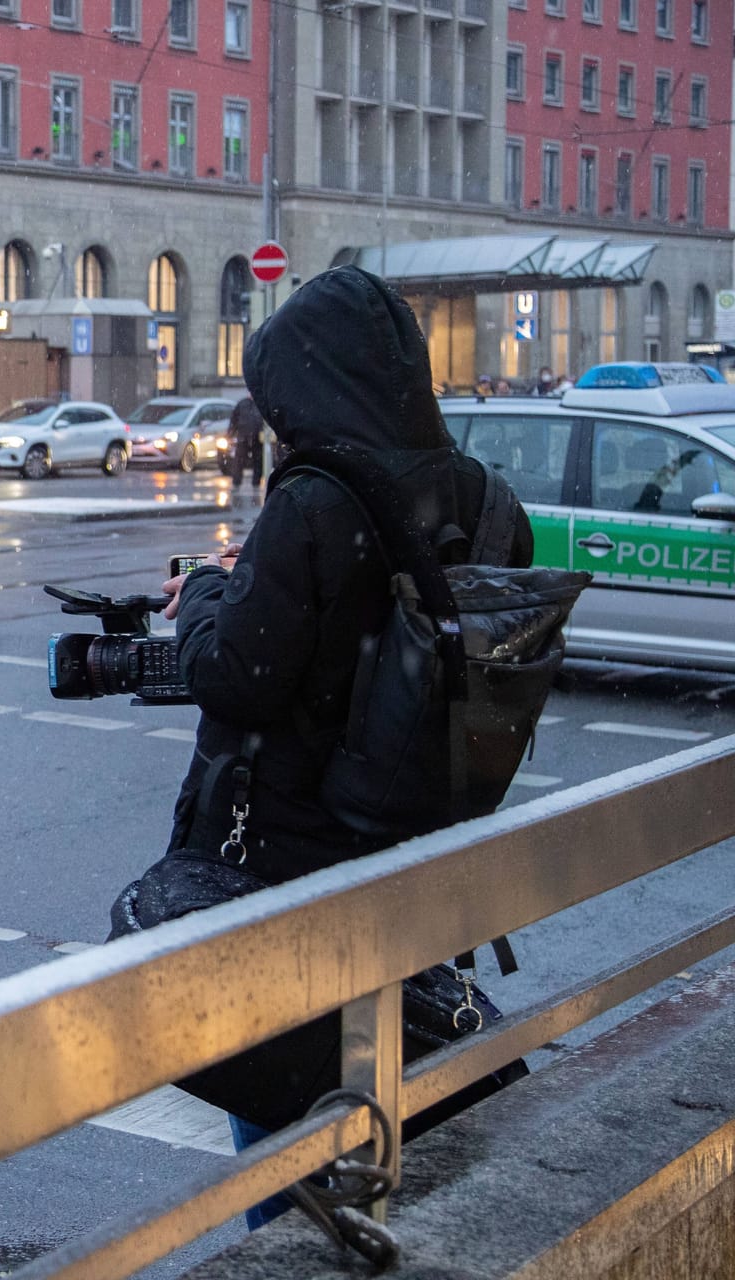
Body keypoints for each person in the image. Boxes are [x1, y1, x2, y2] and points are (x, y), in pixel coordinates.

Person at [148, 266, 533, 1221]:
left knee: (284, 1118)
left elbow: (234, 676)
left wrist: (204, 590)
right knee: (387, 1092)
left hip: (287, 865)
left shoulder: (317, 498)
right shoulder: (490, 502)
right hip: (419, 857)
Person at [226, 395, 266, 498]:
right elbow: (234, 418)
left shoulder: (260, 403)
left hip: (257, 437)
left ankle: (256, 483)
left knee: (257, 461)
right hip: (243, 436)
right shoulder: (243, 403)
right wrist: (230, 433)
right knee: (239, 460)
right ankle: (236, 482)